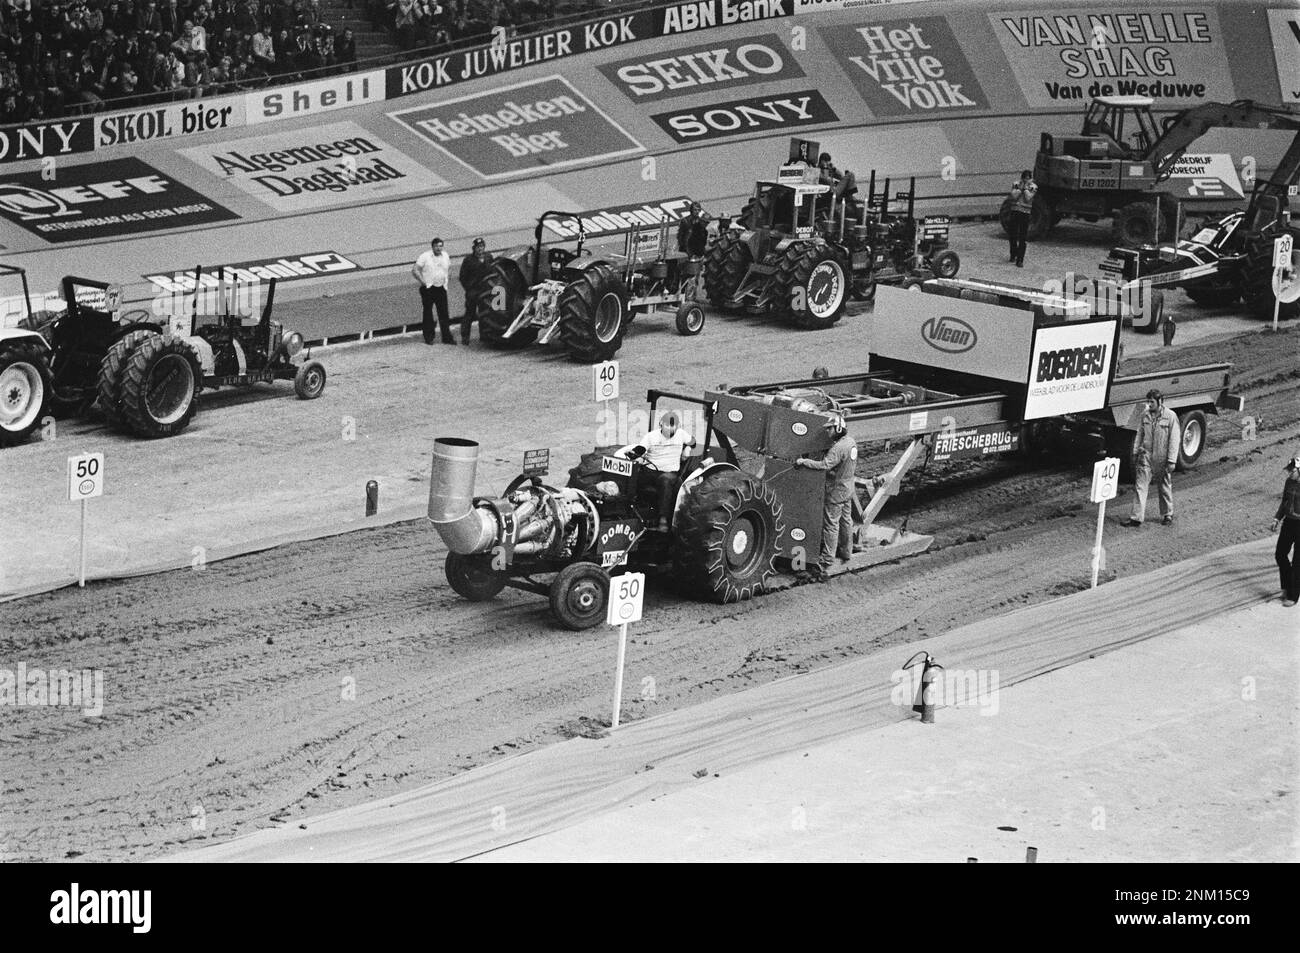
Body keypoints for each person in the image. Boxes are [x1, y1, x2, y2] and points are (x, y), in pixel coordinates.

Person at [794, 412, 858, 582]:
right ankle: (846, 551)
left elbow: (824, 465)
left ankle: (826, 560)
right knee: (846, 521)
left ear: (838, 429)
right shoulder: (850, 442)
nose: (828, 432)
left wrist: (803, 462)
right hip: (848, 488)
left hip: (837, 491)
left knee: (831, 525)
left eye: (830, 429)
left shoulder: (837, 448)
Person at [1122, 389, 1178, 527]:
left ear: (1160, 401)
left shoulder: (1171, 417)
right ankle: (1136, 518)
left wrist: (1171, 460)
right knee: (1140, 486)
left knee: (1164, 486)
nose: (1149, 404)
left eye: (1151, 402)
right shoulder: (1145, 415)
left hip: (1162, 458)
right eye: (1148, 401)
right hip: (1146, 456)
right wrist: (1135, 452)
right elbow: (1139, 434)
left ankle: (1167, 514)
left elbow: (1174, 439)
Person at [638, 412, 696, 531]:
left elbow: (693, 442)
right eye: (667, 425)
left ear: (678, 426)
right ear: (661, 424)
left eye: (673, 425)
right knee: (633, 476)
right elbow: (640, 449)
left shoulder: (681, 434)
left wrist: (688, 448)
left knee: (665, 480)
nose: (670, 428)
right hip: (650, 470)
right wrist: (636, 455)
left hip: (670, 473)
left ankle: (663, 520)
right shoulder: (651, 436)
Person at [412, 237, 452, 344]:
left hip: (441, 288)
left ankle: (447, 337)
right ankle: (429, 338)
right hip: (429, 288)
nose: (438, 248)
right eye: (436, 246)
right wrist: (423, 282)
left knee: (444, 313)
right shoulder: (425, 256)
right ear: (432, 247)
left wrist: (446, 281)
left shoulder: (446, 256)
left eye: (440, 246)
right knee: (428, 313)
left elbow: (448, 268)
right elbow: (415, 270)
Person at [1273, 455, 1300, 607]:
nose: (1289, 473)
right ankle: (1287, 586)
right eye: (1289, 471)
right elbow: (1285, 501)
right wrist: (1277, 518)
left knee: (1298, 562)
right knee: (1280, 554)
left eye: (1292, 471)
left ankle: (1293, 596)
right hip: (1289, 522)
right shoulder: (1289, 482)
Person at [457, 237, 493, 344]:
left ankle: (484, 335)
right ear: (474, 248)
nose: (480, 249)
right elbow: (462, 276)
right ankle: (465, 336)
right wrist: (468, 288)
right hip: (473, 291)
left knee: (485, 314)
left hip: (485, 290)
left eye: (482, 247)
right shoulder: (468, 260)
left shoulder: (488, 257)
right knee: (469, 314)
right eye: (478, 247)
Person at [1007, 170, 1037, 267]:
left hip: (1025, 213)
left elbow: (1028, 197)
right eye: (1024, 178)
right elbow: (1014, 195)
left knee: (1022, 237)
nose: (1026, 180)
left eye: (1028, 178)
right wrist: (1021, 189)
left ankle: (1020, 259)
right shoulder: (1016, 184)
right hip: (1015, 212)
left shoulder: (1033, 187)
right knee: (1012, 235)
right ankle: (1013, 254)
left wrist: (1024, 189)